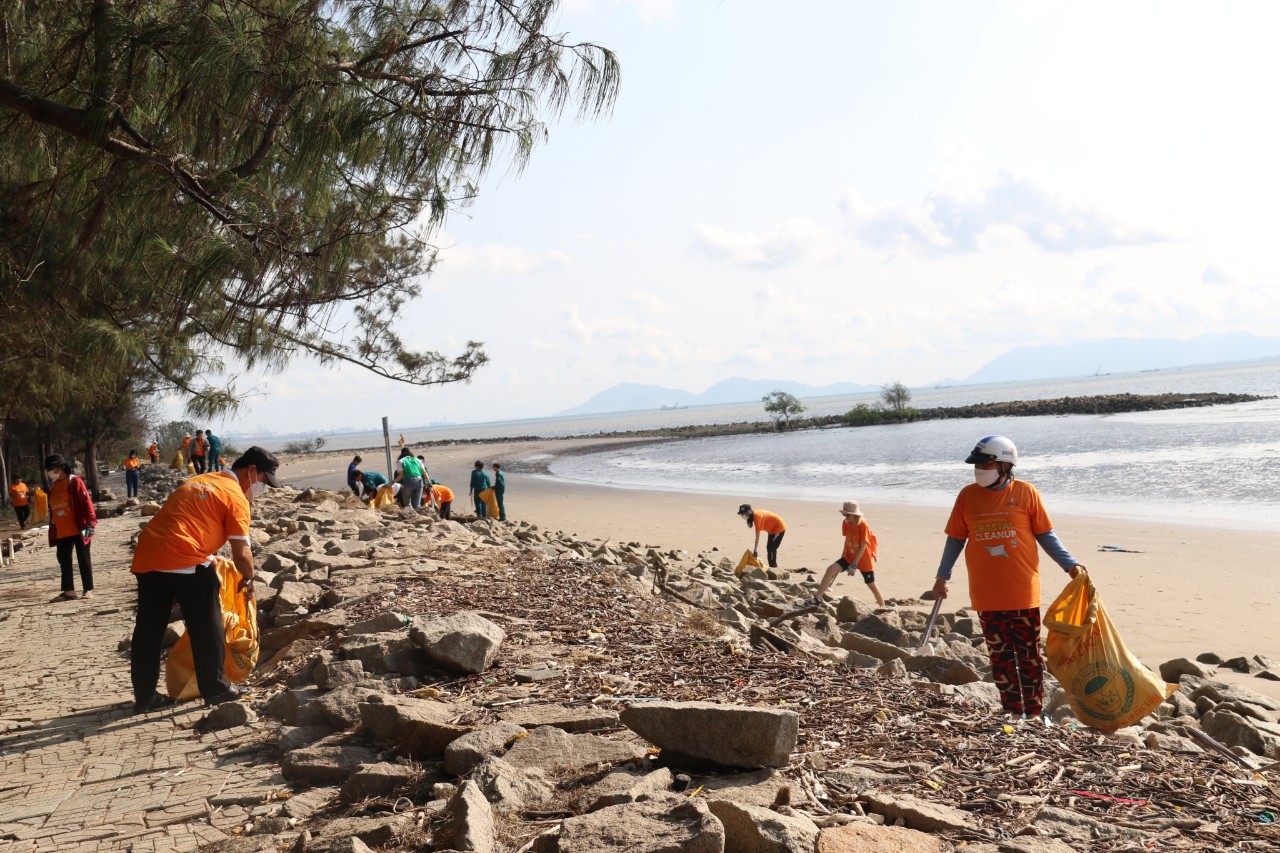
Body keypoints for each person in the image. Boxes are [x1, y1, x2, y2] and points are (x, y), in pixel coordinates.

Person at [931, 435, 1086, 724]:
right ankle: (1013, 711)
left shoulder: (1026, 493)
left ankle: (1035, 713)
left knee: (1028, 657)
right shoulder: (967, 496)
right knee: (1001, 658)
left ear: (1004, 465)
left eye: (985, 463)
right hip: (986, 595)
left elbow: (1046, 535)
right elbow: (955, 539)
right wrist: (942, 576)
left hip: (1021, 592)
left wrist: (1070, 565)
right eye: (976, 464)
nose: (979, 469)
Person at [129, 446, 281, 714]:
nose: (261, 488)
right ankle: (217, 688)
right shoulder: (235, 496)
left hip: (149, 554)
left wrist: (209, 557)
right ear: (252, 471)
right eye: (263, 482)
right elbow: (241, 551)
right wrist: (249, 579)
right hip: (184, 558)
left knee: (148, 630)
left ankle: (145, 697)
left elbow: (185, 523)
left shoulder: (201, 480)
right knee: (207, 626)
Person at [45, 454, 97, 600]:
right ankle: (69, 591)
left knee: (84, 558)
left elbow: (87, 504)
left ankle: (88, 589)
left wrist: (91, 523)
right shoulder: (53, 486)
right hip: (62, 530)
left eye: (52, 468)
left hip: (81, 528)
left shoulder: (75, 482)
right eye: (48, 469)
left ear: (61, 468)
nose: (49, 472)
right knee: (63, 559)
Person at [814, 500, 884, 607]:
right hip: (848, 556)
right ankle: (817, 598)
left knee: (871, 585)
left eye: (847, 514)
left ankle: (883, 607)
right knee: (831, 569)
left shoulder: (863, 524)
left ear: (855, 515)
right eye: (844, 514)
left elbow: (863, 545)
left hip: (863, 559)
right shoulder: (846, 522)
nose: (845, 516)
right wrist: (843, 554)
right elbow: (847, 539)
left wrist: (854, 563)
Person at [737, 503, 786, 568]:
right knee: (769, 547)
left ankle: (774, 567)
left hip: (779, 527)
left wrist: (755, 550)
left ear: (748, 512)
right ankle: (772, 566)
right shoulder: (755, 516)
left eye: (743, 514)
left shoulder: (757, 517)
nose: (742, 516)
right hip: (772, 530)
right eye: (741, 514)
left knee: (772, 548)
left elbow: (757, 536)